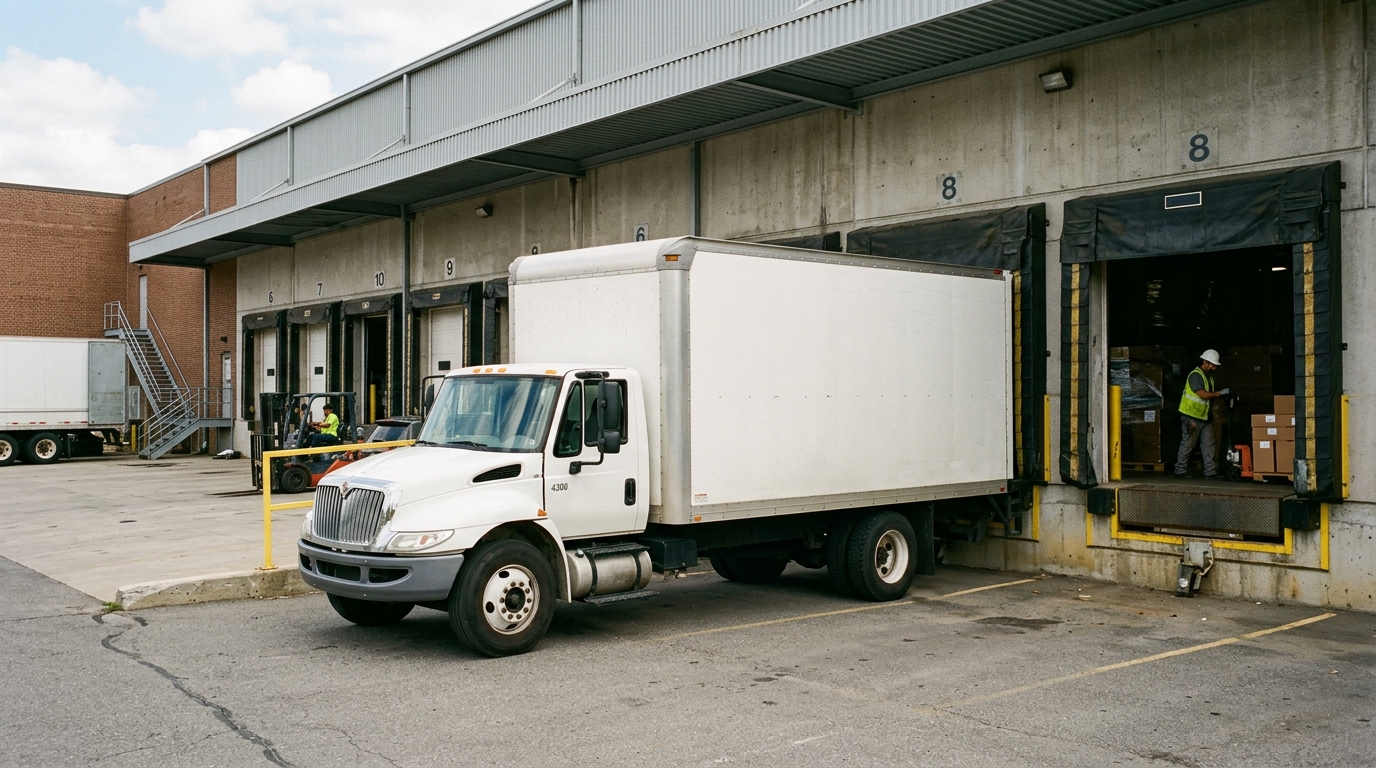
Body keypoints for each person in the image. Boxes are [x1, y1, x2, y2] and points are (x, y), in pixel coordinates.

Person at [1174, 349, 1230, 479]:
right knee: (1188, 444)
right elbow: (1202, 394)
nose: (1214, 367)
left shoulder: (1208, 377)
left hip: (1205, 417)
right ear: (1205, 362)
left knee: (1209, 444)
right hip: (1191, 416)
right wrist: (1219, 393)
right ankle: (1180, 471)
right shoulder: (1195, 375)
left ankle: (1210, 472)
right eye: (1212, 365)